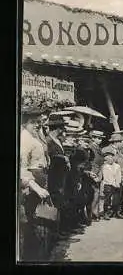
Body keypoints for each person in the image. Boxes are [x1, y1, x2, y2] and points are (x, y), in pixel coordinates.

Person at [19, 108, 52, 261]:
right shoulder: (24, 139)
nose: (37, 125)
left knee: (38, 220)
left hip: (38, 179)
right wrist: (37, 188)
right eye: (33, 122)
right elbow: (21, 168)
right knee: (29, 221)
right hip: (29, 184)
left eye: (39, 122)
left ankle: (37, 254)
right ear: (24, 123)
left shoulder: (34, 136)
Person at [84, 130, 104, 222]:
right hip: (93, 172)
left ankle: (94, 213)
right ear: (93, 138)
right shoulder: (91, 147)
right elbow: (90, 162)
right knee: (93, 193)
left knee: (96, 193)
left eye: (100, 138)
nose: (100, 140)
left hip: (98, 172)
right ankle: (92, 214)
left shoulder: (97, 148)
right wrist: (92, 173)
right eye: (98, 138)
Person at [100, 147, 123, 220]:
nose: (109, 159)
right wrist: (112, 183)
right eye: (107, 157)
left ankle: (116, 212)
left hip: (116, 184)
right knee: (107, 199)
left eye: (111, 156)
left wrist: (118, 183)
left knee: (117, 199)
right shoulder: (104, 167)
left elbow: (118, 175)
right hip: (108, 184)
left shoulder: (117, 166)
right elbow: (106, 177)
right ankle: (106, 212)